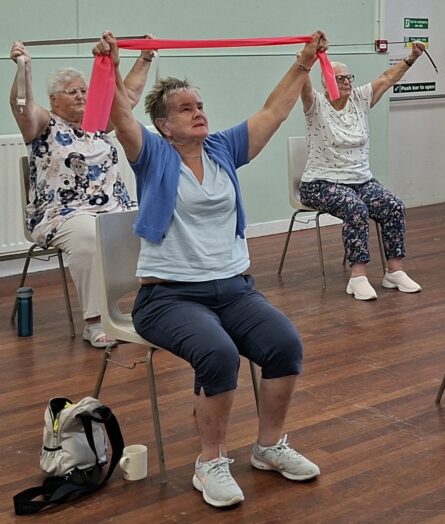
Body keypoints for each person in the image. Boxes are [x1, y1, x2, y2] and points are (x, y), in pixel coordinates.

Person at [97, 30, 328, 507]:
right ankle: (210, 462)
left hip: (235, 290)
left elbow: (273, 111)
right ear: (163, 125)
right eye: (186, 108)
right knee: (219, 354)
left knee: (285, 345)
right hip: (168, 298)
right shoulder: (153, 155)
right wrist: (112, 67)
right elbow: (120, 116)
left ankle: (268, 447)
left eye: (199, 105)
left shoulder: (222, 149)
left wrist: (303, 63)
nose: (199, 112)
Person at [9, 39, 153, 347]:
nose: (81, 96)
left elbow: (127, 97)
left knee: (155, 226)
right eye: (72, 91)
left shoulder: (97, 123)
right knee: (91, 236)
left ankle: (154, 311)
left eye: (84, 90)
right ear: (54, 100)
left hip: (114, 207)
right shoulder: (44, 124)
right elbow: (21, 106)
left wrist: (145, 58)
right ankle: (95, 321)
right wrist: (24, 68)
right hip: (63, 213)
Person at [299, 42, 426, 300]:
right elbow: (302, 84)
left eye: (348, 77)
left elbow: (387, 78)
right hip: (320, 183)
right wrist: (304, 60)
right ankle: (357, 277)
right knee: (356, 209)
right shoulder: (316, 105)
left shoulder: (359, 99)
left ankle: (394, 271)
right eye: (339, 78)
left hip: (360, 181)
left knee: (393, 205)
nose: (346, 81)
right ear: (326, 83)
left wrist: (411, 58)